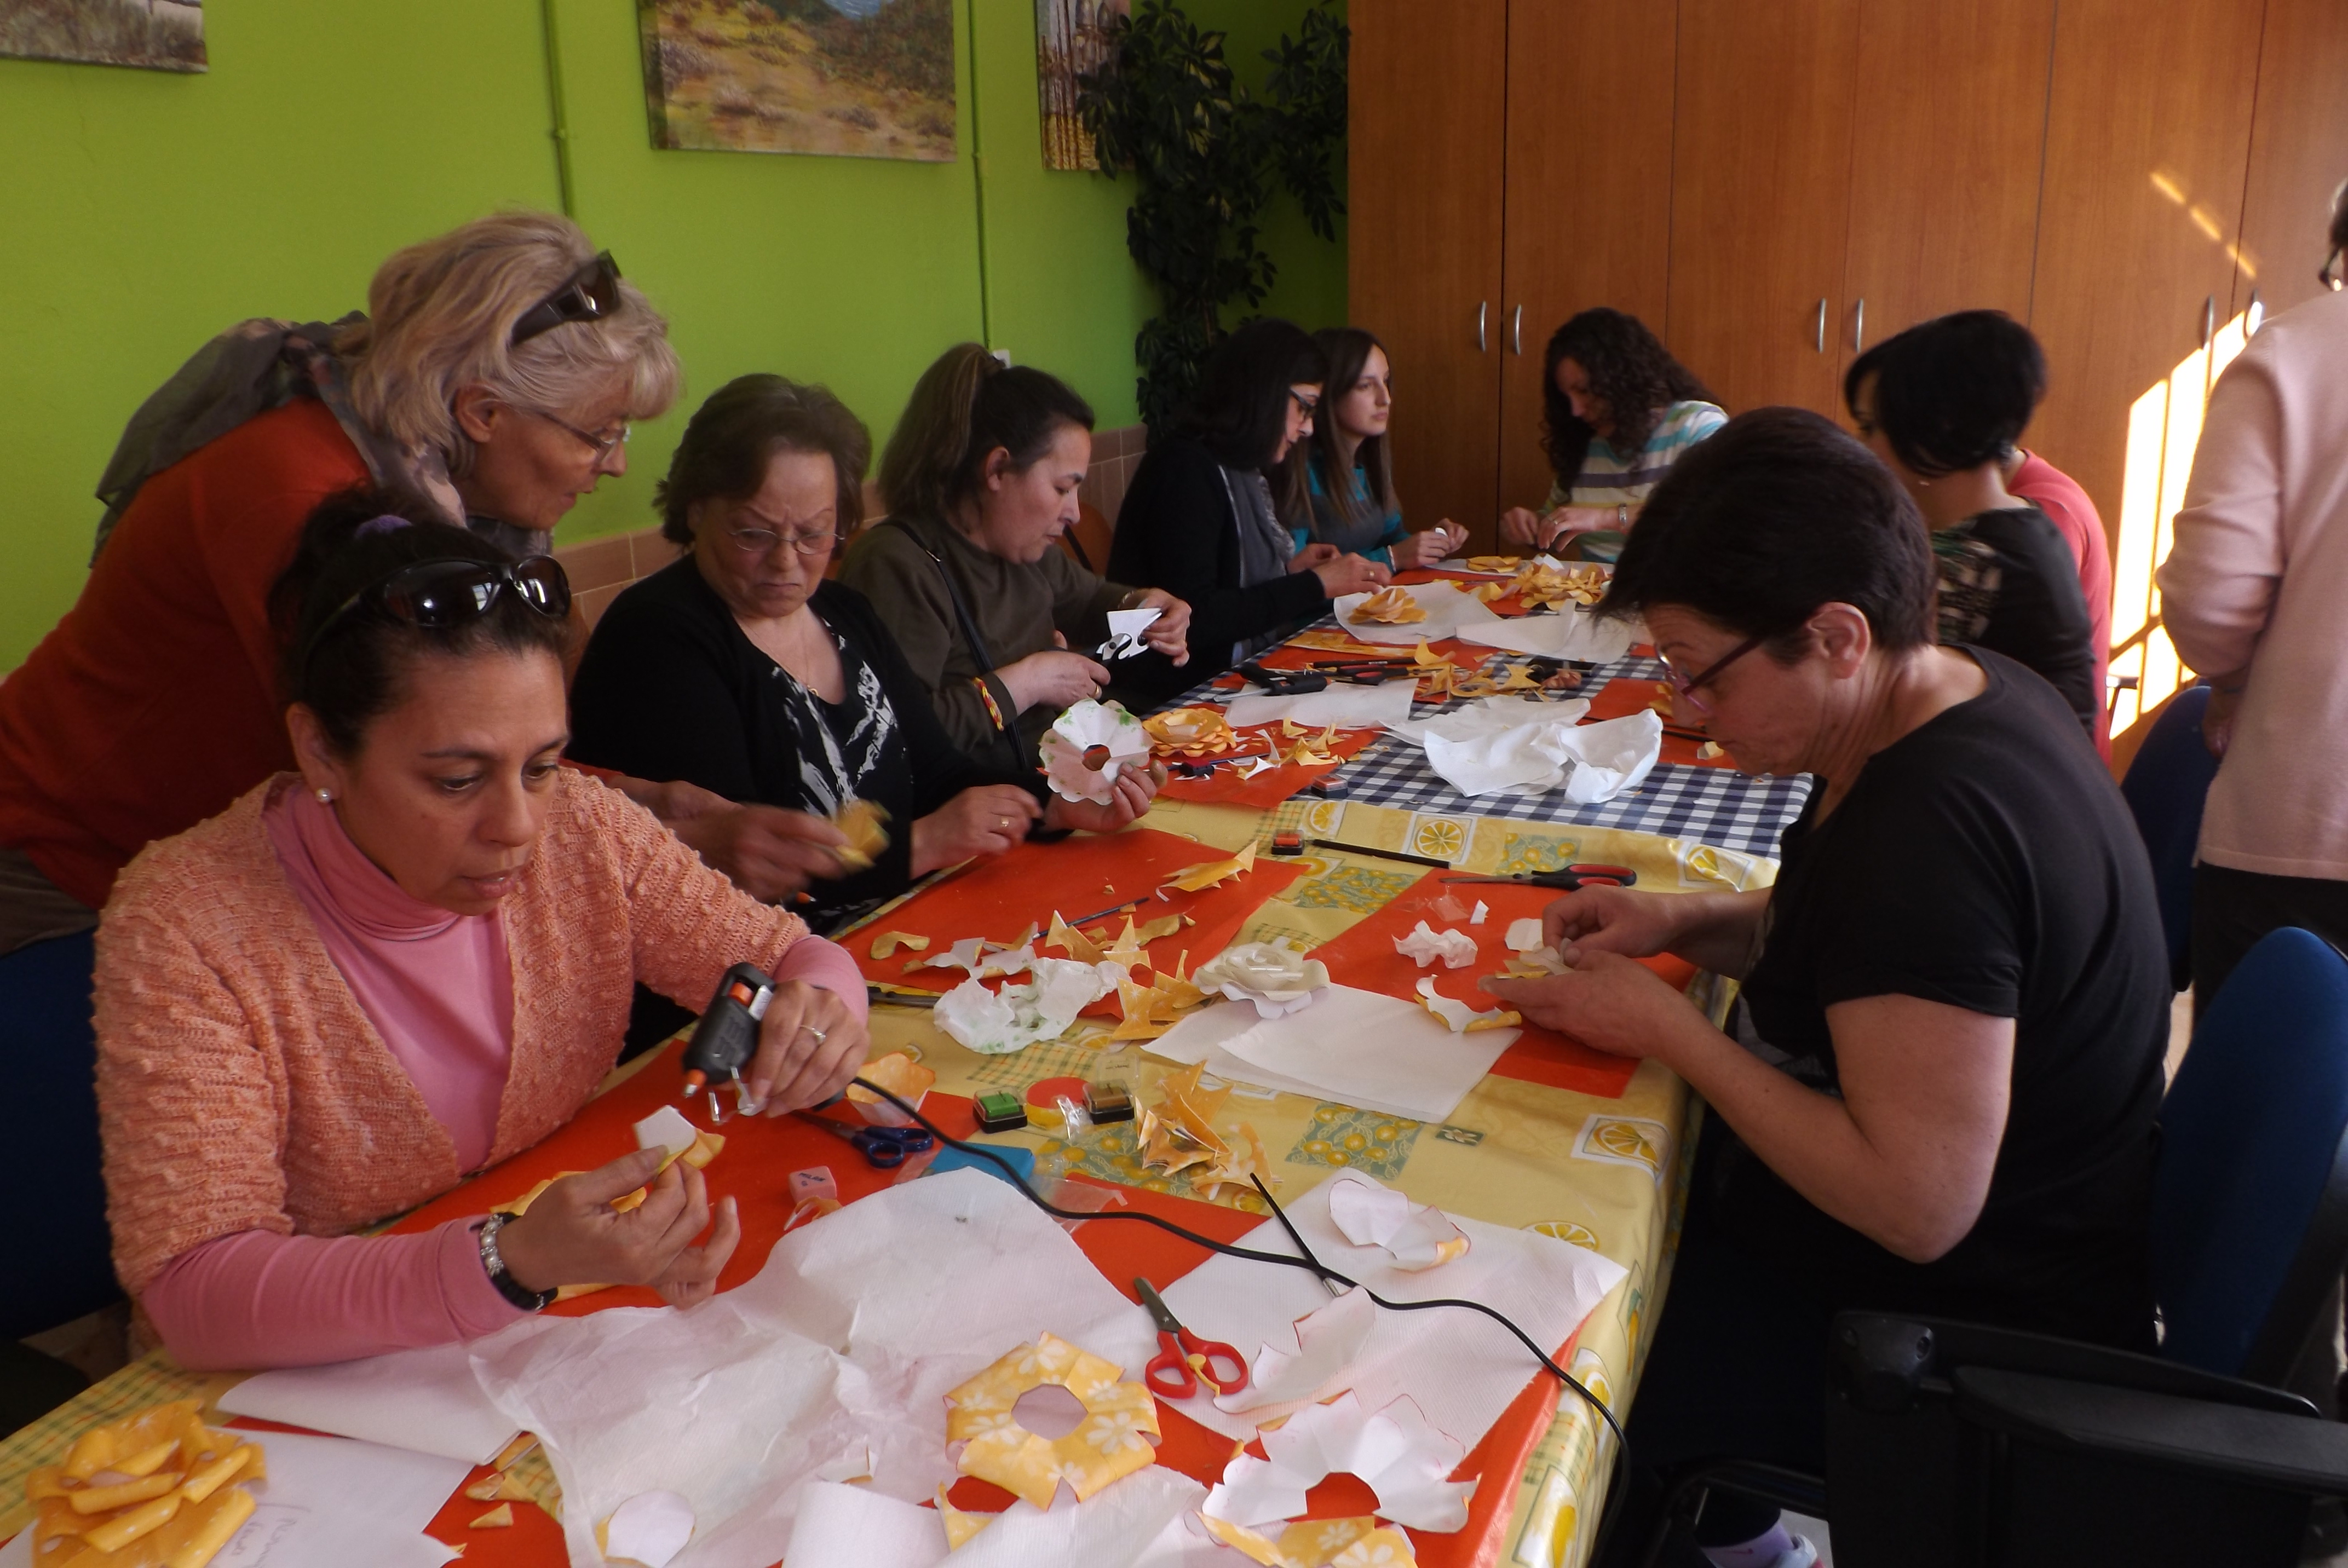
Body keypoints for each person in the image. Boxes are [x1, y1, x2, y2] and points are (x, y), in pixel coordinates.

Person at [1484, 410, 2168, 1568]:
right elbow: (1855, 947)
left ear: (1836, 636)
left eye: (1699, 674)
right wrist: (1680, 921)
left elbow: (1915, 1203)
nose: (1686, 711)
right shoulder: (1961, 691)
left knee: (1561, 1332)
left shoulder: (1925, 844)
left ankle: (1691, 1526)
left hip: (1955, 1333)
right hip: (2025, 1238)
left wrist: (1673, 1033)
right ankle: (1747, 1543)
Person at [93, 495, 872, 1373]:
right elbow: (194, 1290)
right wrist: (506, 1262)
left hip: (530, 1333)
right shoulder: (186, 923)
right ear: (319, 752)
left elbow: (791, 957)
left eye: (541, 766)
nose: (518, 827)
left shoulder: (582, 828)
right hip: (306, 1380)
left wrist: (823, 1010)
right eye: (459, 780)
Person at [0, 211, 702, 958]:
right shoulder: (299, 500)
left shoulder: (444, 485)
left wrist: (653, 806)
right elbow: (408, 767)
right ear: (483, 412)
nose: (616, 464)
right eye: (600, 434)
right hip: (61, 867)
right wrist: (648, 828)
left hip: (189, 865)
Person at [570, 373, 1161, 939]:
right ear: (696, 509)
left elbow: (938, 774)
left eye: (813, 534)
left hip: (897, 927)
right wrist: (922, 843)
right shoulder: (658, 638)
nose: (786, 562)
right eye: (753, 533)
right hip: (773, 968)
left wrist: (1058, 804)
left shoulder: (845, 614)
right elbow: (749, 864)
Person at [2159, 191, 2348, 1001]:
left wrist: (2230, 683)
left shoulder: (2298, 350)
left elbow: (2210, 598)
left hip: (2303, 827)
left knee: (2267, 1077)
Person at [837, 345, 1191, 765]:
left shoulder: (1025, 550)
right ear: (997, 470)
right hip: (988, 800)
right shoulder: (897, 565)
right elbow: (894, 734)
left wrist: (1146, 607)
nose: (1075, 513)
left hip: (1060, 779)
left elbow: (1090, 601)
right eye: (1062, 488)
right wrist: (1030, 682)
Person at [1108, 319, 1389, 708]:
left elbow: (1225, 582)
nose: (1308, 428)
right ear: (1266, 393)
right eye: (1304, 407)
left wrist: (1289, 571)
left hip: (1226, 677)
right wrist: (1313, 585)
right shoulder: (1185, 469)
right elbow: (1197, 617)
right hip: (1176, 698)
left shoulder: (1235, 465)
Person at [1845, 313, 2100, 739]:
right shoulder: (2020, 524)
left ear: (1934, 428)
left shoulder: (1977, 556)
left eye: (1872, 428)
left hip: (2015, 777)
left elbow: (1882, 691)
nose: (1861, 447)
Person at [1498, 308, 1725, 560]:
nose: (1576, 410)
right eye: (1567, 397)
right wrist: (1532, 525)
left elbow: (1720, 509)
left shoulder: (1696, 424)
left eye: (1584, 390)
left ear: (1623, 379)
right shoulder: (1582, 444)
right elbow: (1561, 526)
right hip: (1595, 585)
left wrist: (1606, 518)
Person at [1288, 327, 1464, 569]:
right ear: (1327, 394)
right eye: (1365, 386)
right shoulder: (1299, 472)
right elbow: (1294, 574)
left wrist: (1430, 543)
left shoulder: (1372, 462)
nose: (1386, 399)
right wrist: (1392, 558)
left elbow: (1391, 536)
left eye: (1385, 381)